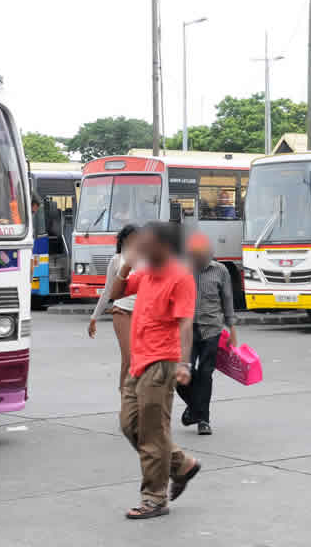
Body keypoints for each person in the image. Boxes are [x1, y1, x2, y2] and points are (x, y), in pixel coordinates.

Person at [103, 221, 202, 520]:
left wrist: (184, 364)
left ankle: (154, 499)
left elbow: (185, 323)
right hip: (139, 361)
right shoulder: (146, 272)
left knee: (151, 434)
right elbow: (116, 293)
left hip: (161, 363)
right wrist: (126, 265)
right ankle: (181, 463)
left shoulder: (180, 277)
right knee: (129, 424)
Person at [177, 232, 236, 436]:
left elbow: (227, 300)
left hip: (212, 329)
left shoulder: (221, 271)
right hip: (187, 329)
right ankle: (195, 408)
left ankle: (203, 420)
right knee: (182, 375)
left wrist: (232, 330)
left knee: (205, 374)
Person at [88, 224, 140, 391]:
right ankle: (125, 398)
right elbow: (107, 292)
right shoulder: (117, 259)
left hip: (143, 314)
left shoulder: (147, 258)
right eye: (132, 237)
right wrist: (94, 318)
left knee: (141, 359)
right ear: (124, 239)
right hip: (121, 312)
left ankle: (135, 398)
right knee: (129, 358)